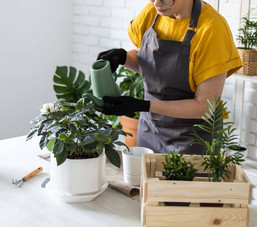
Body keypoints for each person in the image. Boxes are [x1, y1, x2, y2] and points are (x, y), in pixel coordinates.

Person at [97, 0, 242, 154]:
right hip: (150, 131)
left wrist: (144, 106)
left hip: (193, 138)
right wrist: (123, 57)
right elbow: (147, 62)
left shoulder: (212, 29)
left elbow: (204, 107)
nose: (157, 3)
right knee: (145, 177)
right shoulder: (153, 13)